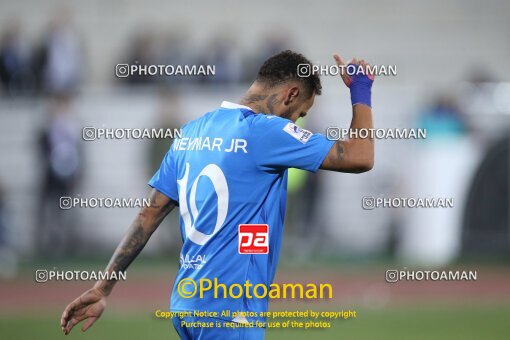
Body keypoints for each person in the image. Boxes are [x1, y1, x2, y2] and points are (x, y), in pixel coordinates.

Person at [61, 50, 375, 339]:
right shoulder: (265, 132)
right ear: (291, 94)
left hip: (187, 304)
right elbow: (360, 156)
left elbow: (149, 213)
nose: (296, 122)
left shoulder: (190, 133)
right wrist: (360, 91)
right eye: (300, 113)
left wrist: (103, 288)